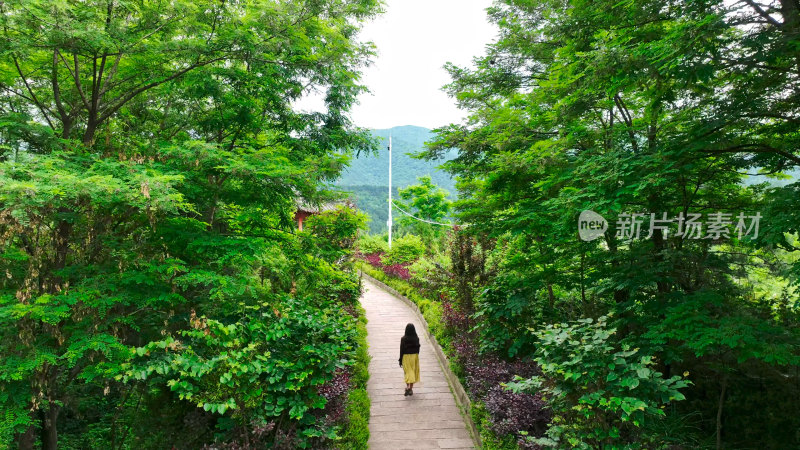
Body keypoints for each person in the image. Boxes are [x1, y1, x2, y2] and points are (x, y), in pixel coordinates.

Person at [398, 323, 420, 396]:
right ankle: (410, 388)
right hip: (414, 356)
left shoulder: (403, 339)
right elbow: (418, 349)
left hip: (406, 356)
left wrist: (400, 360)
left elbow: (401, 350)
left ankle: (407, 387)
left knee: (407, 372)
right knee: (412, 372)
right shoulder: (416, 338)